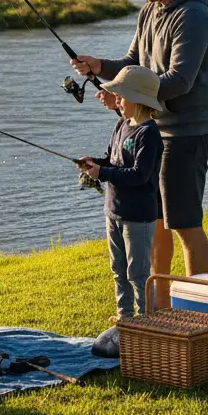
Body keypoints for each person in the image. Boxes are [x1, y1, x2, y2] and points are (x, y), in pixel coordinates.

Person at [72, 0, 208, 307]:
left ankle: (199, 309)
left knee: (183, 223)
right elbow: (133, 62)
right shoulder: (149, 11)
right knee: (155, 223)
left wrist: (127, 97)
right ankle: (159, 307)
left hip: (186, 132)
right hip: (152, 130)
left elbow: (179, 81)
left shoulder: (193, 16)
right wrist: (100, 68)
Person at [78, 65, 163, 320]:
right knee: (118, 269)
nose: (117, 100)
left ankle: (146, 322)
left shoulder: (149, 134)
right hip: (113, 212)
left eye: (122, 97)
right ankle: (124, 319)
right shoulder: (121, 125)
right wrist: (94, 162)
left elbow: (139, 175)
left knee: (137, 273)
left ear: (138, 100)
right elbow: (111, 160)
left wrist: (101, 174)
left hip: (137, 217)